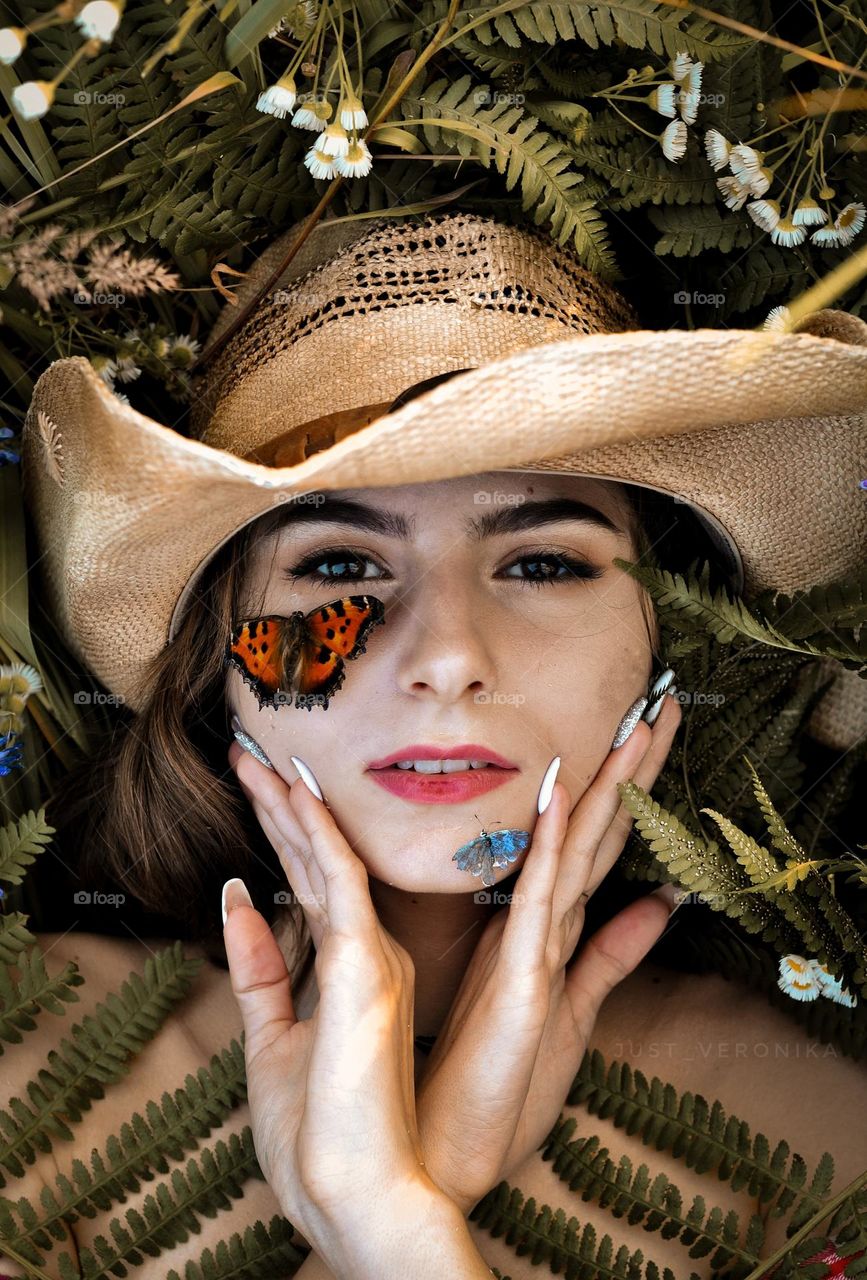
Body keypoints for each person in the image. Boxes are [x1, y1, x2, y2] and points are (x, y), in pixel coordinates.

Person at [10, 209, 867, 1279]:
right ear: (219, 658)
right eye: (334, 567)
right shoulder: (24, 1058)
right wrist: (421, 1182)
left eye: (544, 563)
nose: (448, 654)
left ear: (669, 642)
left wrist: (395, 1221)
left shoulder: (817, 1130)